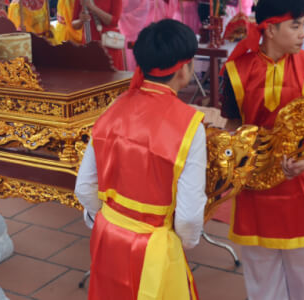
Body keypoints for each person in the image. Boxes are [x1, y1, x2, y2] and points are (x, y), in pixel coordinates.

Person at [220, 0, 304, 300]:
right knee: (259, 269)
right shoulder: (235, 72)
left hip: (297, 182)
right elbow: (233, 127)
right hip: (253, 186)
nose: (303, 34)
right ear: (270, 29)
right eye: (295, 26)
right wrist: (229, 163)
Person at [75, 18, 206, 300]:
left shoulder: (113, 108)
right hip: (155, 245)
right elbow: (189, 217)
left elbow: (84, 187)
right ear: (184, 68)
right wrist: (185, 242)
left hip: (109, 234)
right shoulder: (190, 125)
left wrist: (108, 218)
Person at [72, 0, 124, 69]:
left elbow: (114, 21)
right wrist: (81, 20)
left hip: (110, 43)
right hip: (90, 43)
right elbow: (74, 24)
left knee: (113, 79)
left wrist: (93, 7)